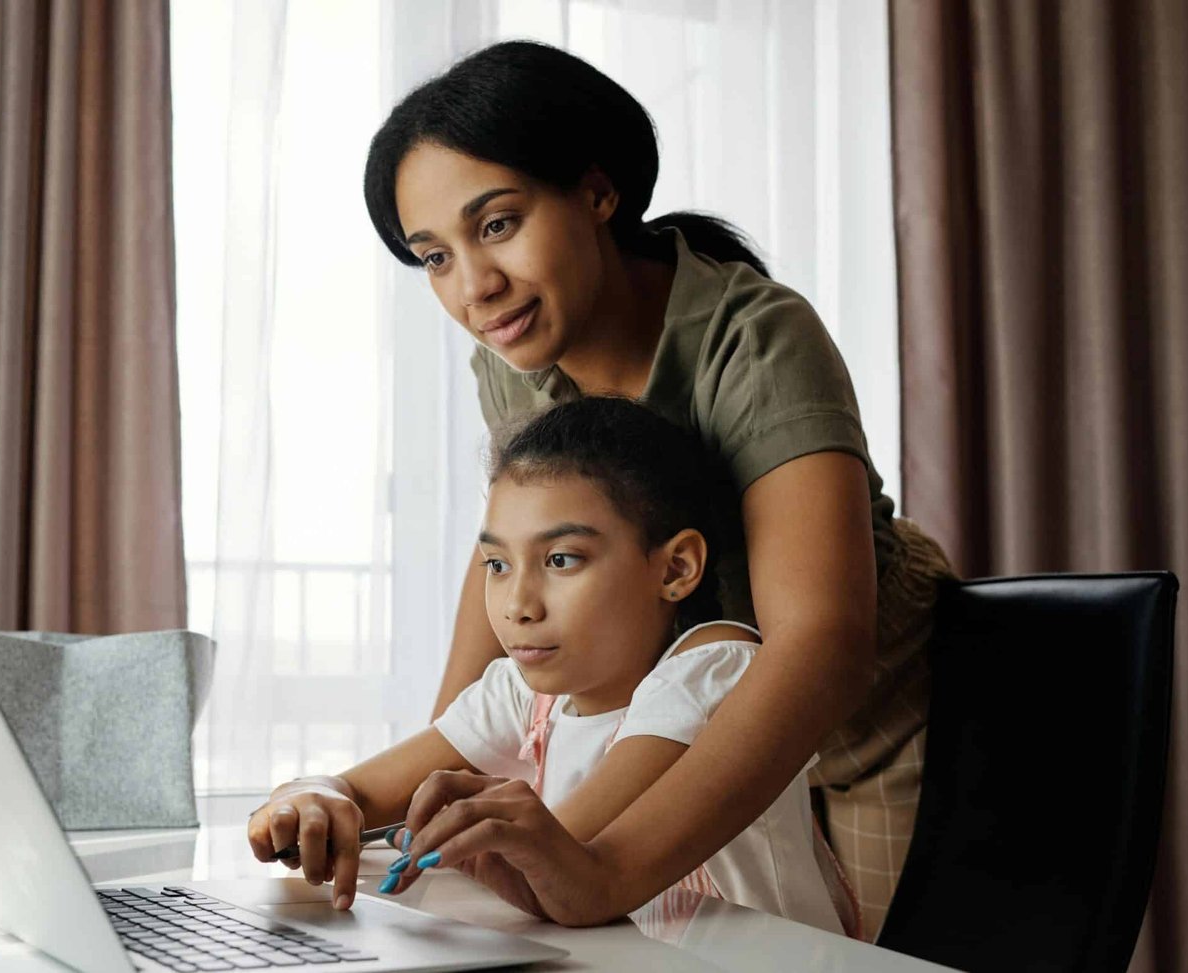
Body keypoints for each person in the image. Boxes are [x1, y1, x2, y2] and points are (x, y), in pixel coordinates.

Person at [357, 40, 957, 935]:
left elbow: (821, 641)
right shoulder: (513, 357)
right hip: (681, 708)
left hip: (864, 713)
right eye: (434, 256)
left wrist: (608, 870)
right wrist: (431, 784)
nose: (474, 288)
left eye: (496, 225)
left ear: (598, 192)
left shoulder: (755, 338)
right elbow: (513, 552)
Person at [247, 397, 858, 936]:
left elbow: (563, 858)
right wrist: (310, 798)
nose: (517, 605)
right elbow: (358, 789)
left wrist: (446, 834)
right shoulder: (527, 694)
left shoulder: (714, 669)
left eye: (562, 560)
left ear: (674, 569)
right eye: (497, 565)